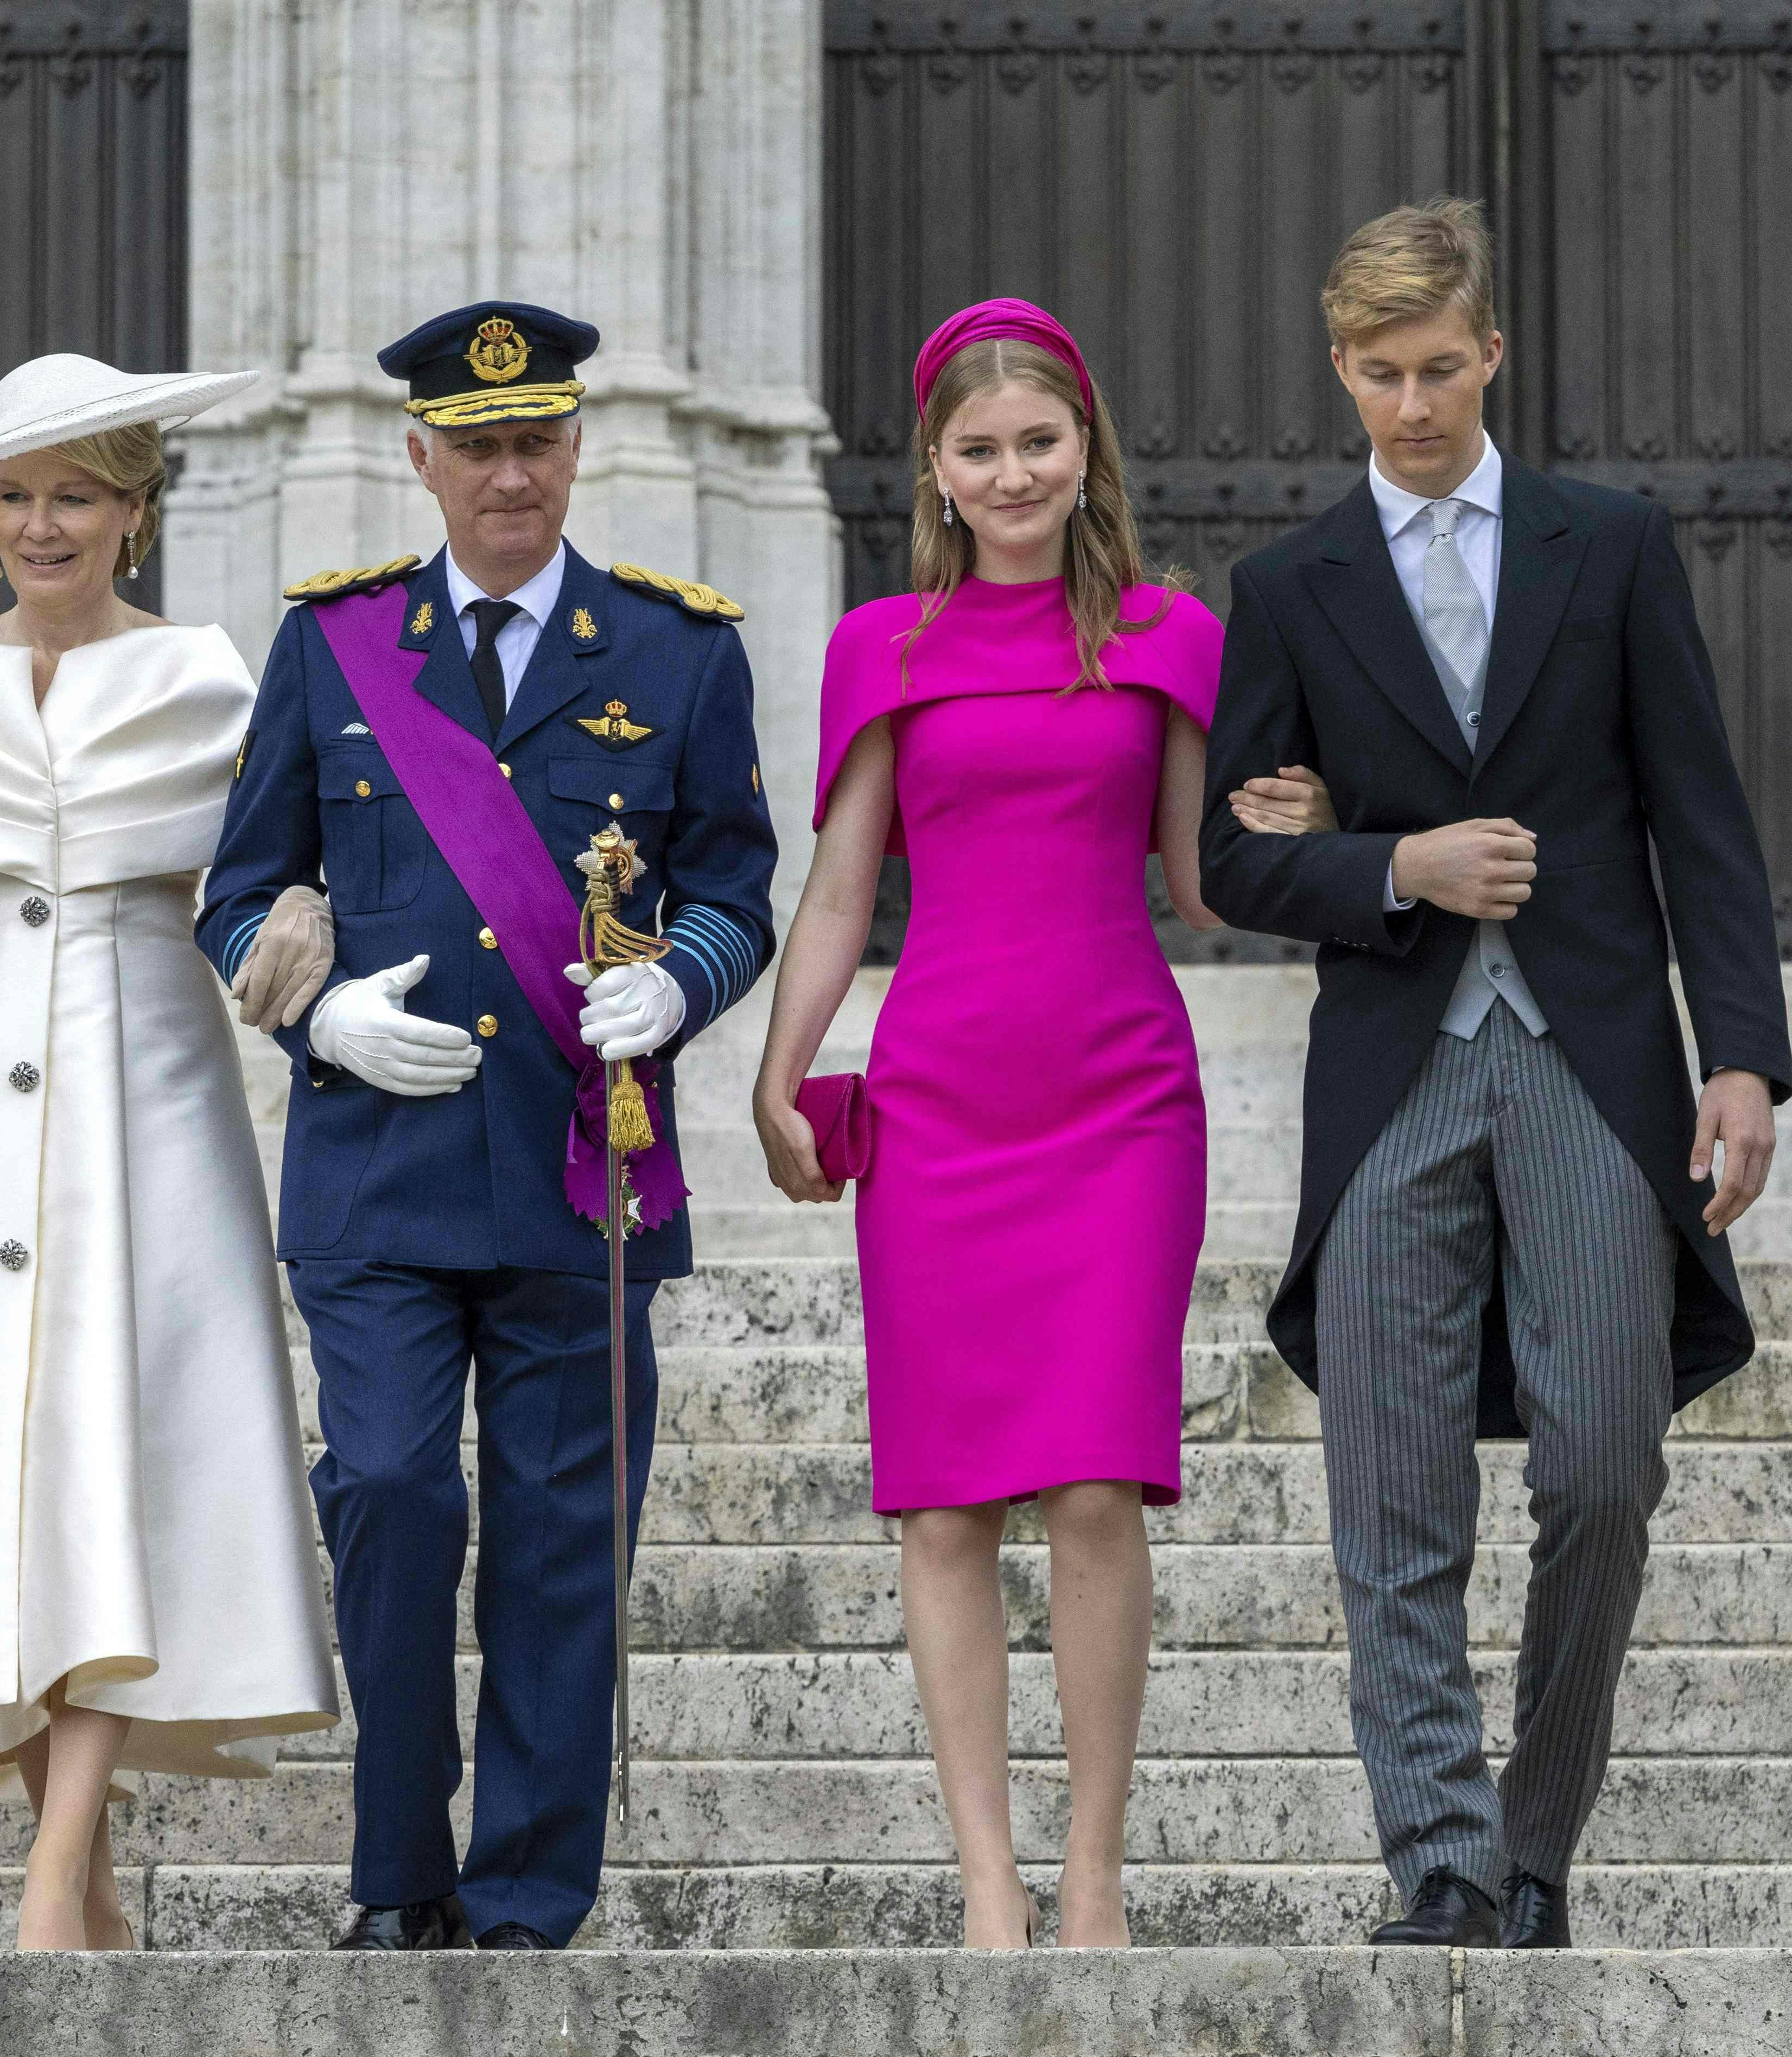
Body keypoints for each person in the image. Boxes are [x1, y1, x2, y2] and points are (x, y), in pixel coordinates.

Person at [1199, 198, 1790, 1951]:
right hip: (1393, 1070)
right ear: (1338, 371)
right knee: (1393, 1491)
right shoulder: (1285, 586)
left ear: (1492, 354)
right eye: (1377, 376)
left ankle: (1542, 1833)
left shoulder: (1610, 546)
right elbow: (1233, 863)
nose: (1408, 406)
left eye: (1437, 369)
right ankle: (1447, 1868)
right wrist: (1391, 866)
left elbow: (1704, 815)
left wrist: (1745, 1060)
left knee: (1606, 1463)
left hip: (1594, 1065)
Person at [200, 303, 779, 1952]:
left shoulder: (676, 652)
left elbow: (735, 882)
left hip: (576, 1170)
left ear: (578, 449)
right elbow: (237, 896)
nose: (508, 475)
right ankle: (399, 1864)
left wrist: (679, 985)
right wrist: (318, 1014)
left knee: (557, 1541)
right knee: (388, 1494)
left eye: (537, 442)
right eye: (477, 446)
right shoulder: (336, 645)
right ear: (420, 459)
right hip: (377, 1176)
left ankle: (527, 1891)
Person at [0, 353, 338, 1950]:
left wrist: (307, 912)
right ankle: (85, 1898)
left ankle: (46, 1893)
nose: (46, 524)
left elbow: (277, 879)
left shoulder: (211, 681)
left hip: (146, 1112)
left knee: (115, 1467)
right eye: (20, 496)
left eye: (78, 495)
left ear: (137, 513)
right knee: (3, 1489)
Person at [749, 300, 1236, 1950]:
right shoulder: (881, 645)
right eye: (982, 449)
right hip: (942, 1098)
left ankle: (1093, 1876)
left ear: (1085, 447)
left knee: (1098, 1486)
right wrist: (774, 1070)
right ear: (939, 473)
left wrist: (1313, 821)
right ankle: (988, 1885)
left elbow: (1200, 881)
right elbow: (835, 895)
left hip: (1119, 1102)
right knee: (947, 1501)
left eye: (1040, 441)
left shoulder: (1170, 634)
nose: (1014, 471)